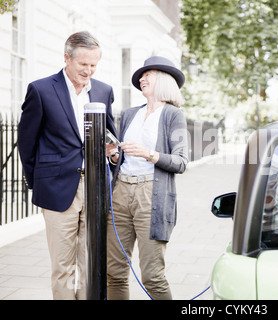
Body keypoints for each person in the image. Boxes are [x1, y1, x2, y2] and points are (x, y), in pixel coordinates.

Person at [17, 31, 117, 300]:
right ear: (66, 58)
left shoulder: (104, 91)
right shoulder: (40, 90)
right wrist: (38, 183)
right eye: (83, 64)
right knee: (63, 266)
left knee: (91, 263)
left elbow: (111, 137)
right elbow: (26, 144)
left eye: (94, 64)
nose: (89, 70)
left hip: (95, 188)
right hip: (57, 188)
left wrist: (114, 155)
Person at [105, 56, 188, 300]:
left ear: (163, 79)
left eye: (148, 74)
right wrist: (113, 156)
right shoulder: (130, 114)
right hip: (120, 193)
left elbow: (181, 162)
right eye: (141, 75)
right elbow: (120, 158)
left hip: (151, 195)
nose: (142, 78)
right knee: (114, 272)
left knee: (152, 276)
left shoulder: (173, 115)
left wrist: (148, 153)